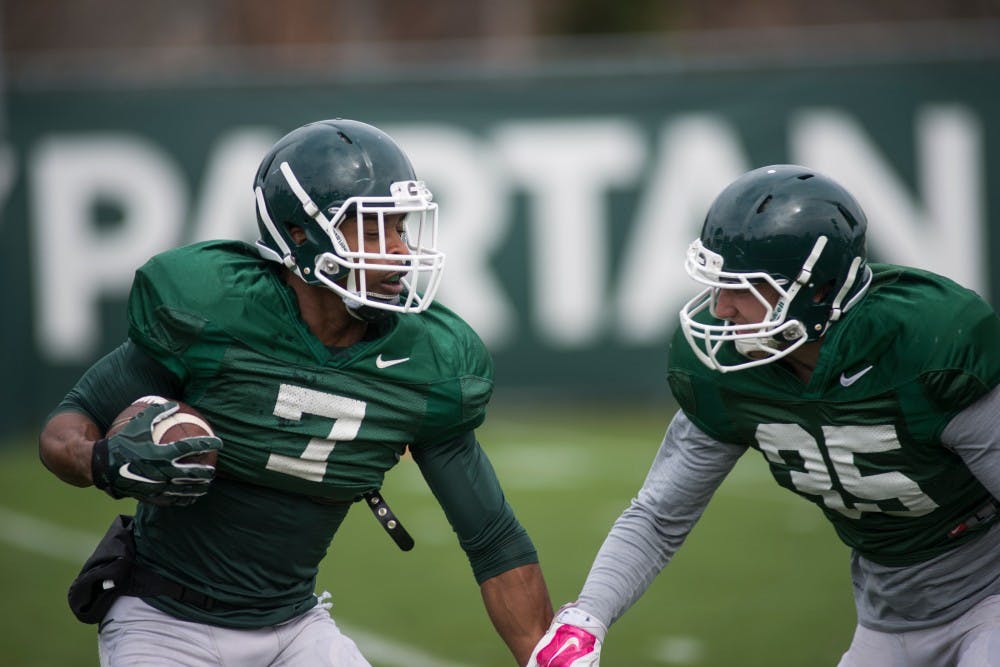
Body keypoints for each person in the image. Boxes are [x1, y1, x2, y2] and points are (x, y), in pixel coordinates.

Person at [39, 118, 553, 666]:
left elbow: (493, 539)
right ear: (300, 234)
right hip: (163, 622)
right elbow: (66, 427)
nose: (401, 253)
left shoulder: (424, 363)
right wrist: (102, 461)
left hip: (295, 625)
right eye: (375, 231)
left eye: (402, 229)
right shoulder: (218, 315)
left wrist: (549, 660)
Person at [528, 164, 1000, 667]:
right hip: (888, 614)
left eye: (744, 288)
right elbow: (660, 516)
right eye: (718, 284)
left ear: (818, 292)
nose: (721, 308)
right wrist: (585, 621)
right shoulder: (731, 372)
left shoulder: (922, 348)